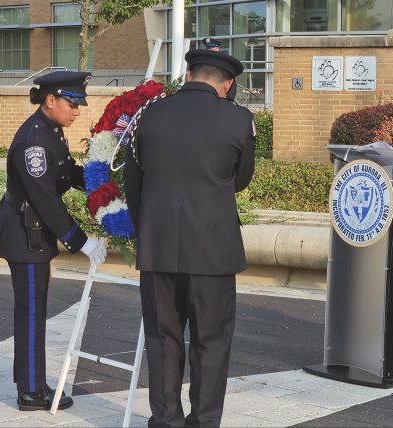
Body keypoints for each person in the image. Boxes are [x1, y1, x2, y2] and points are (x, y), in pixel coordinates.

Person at [123, 50, 255, 427]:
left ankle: (165, 421)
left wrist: (147, 229)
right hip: (213, 252)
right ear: (227, 84)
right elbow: (240, 179)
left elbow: (134, 182)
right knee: (211, 342)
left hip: (158, 248)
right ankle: (204, 421)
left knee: (162, 340)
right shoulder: (238, 119)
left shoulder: (150, 114)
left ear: (189, 73)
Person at [0, 71, 107, 411]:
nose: (77, 111)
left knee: (34, 311)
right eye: (72, 103)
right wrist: (80, 241)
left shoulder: (51, 131)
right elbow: (45, 199)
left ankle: (32, 381)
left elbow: (67, 173)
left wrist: (102, 183)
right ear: (50, 100)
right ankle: (30, 392)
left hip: (33, 231)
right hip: (25, 234)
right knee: (30, 313)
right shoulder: (34, 141)